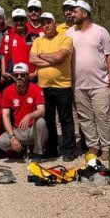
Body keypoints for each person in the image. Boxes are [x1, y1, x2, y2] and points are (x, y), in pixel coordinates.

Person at [69, 1, 110, 160]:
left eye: (75, 11)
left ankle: (107, 147)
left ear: (85, 13)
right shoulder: (69, 33)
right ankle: (93, 146)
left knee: (103, 116)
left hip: (99, 83)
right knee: (85, 118)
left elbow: (109, 55)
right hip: (78, 84)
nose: (72, 14)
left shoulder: (100, 31)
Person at [29, 12, 74, 159]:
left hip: (62, 85)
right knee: (49, 120)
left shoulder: (65, 38)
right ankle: (52, 148)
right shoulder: (38, 41)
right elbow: (32, 59)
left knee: (65, 119)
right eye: (43, 23)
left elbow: (60, 57)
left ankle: (68, 150)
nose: (46, 25)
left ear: (55, 23)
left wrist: (41, 55)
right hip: (44, 86)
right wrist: (52, 60)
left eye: (49, 22)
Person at [0, 64, 48, 159]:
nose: (19, 78)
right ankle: (21, 150)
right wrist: (12, 137)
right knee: (1, 142)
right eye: (16, 75)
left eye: (22, 75)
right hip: (18, 130)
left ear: (27, 76)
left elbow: (42, 111)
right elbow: (6, 117)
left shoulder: (36, 89)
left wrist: (29, 116)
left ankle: (38, 152)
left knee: (41, 122)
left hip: (34, 129)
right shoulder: (7, 91)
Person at [0, 7, 30, 84]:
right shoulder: (8, 34)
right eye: (16, 20)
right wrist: (3, 71)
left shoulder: (32, 35)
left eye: (21, 19)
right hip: (12, 75)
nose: (19, 22)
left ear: (26, 20)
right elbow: (3, 55)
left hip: (28, 75)